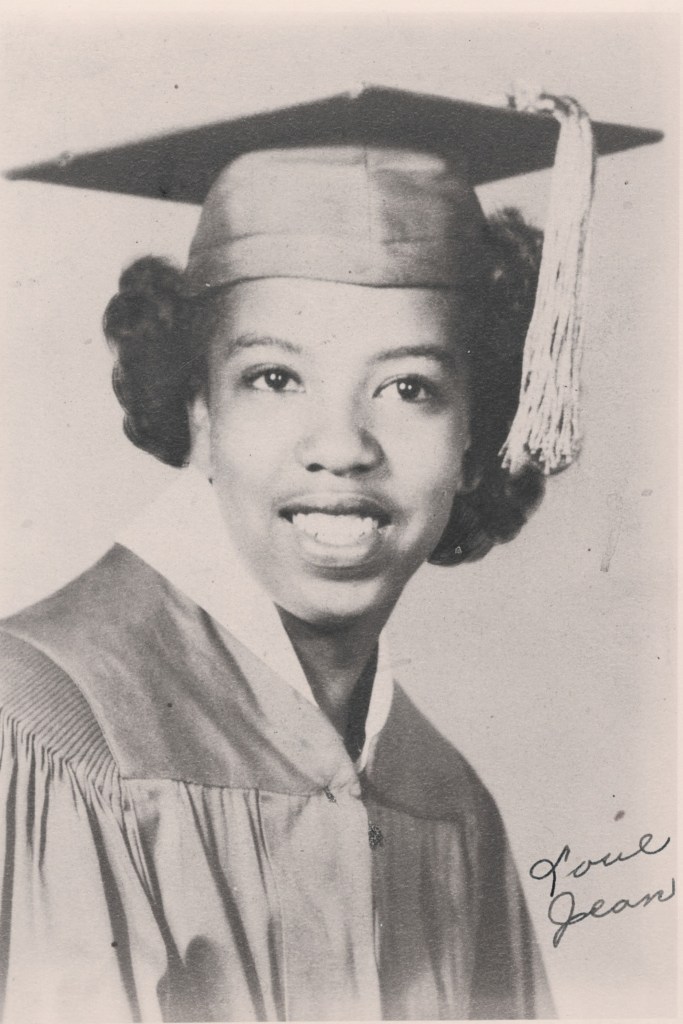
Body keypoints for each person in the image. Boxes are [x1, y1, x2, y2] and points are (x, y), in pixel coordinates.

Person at [0, 87, 661, 1022]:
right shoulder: (41, 731)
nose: (343, 446)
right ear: (199, 412)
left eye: (408, 387)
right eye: (275, 377)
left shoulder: (447, 803)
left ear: (477, 437)